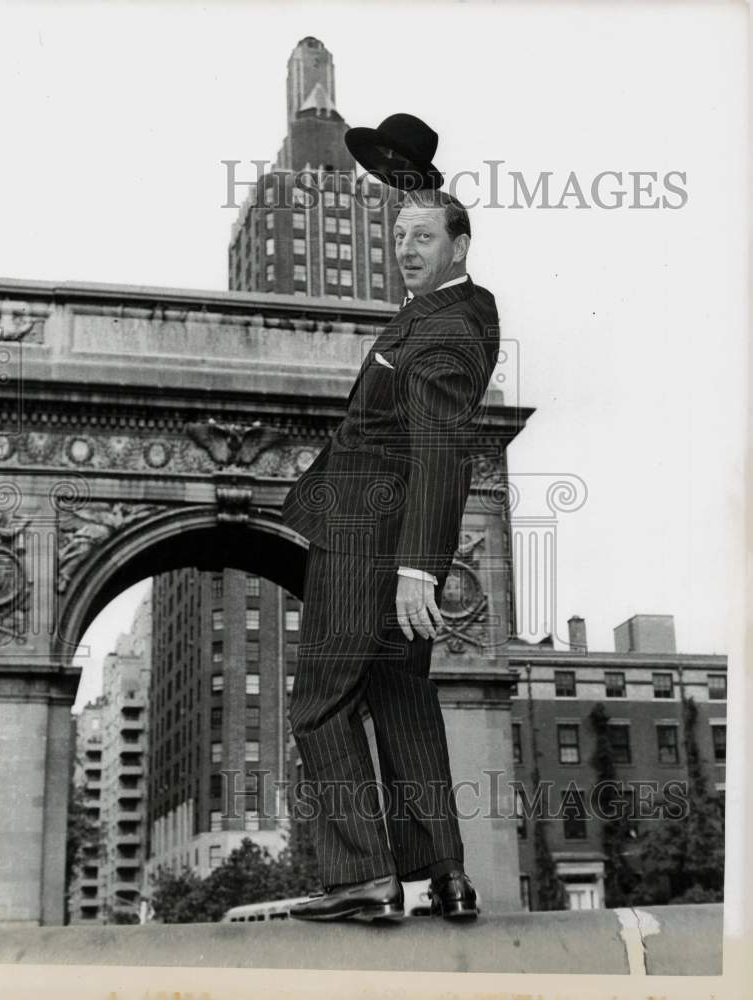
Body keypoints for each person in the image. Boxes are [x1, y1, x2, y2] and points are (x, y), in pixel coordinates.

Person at [281, 187, 500, 922]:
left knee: (319, 703)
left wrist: (416, 569)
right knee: (402, 702)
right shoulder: (440, 315)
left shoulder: (448, 325)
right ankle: (445, 875)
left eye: (424, 237)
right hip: (380, 534)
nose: (406, 249)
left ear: (459, 246)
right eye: (399, 236)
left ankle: (363, 879)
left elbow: (441, 447)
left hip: (364, 539)